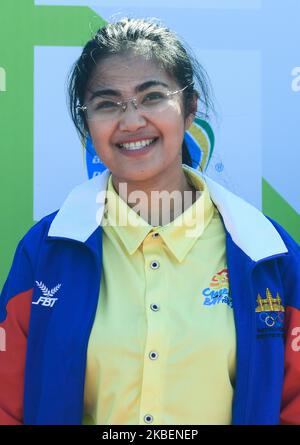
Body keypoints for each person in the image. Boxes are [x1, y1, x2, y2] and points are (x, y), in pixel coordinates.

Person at [0, 17, 299, 426]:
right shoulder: (46, 250)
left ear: (190, 108)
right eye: (107, 104)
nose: (132, 121)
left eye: (152, 97)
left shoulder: (267, 253)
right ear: (88, 124)